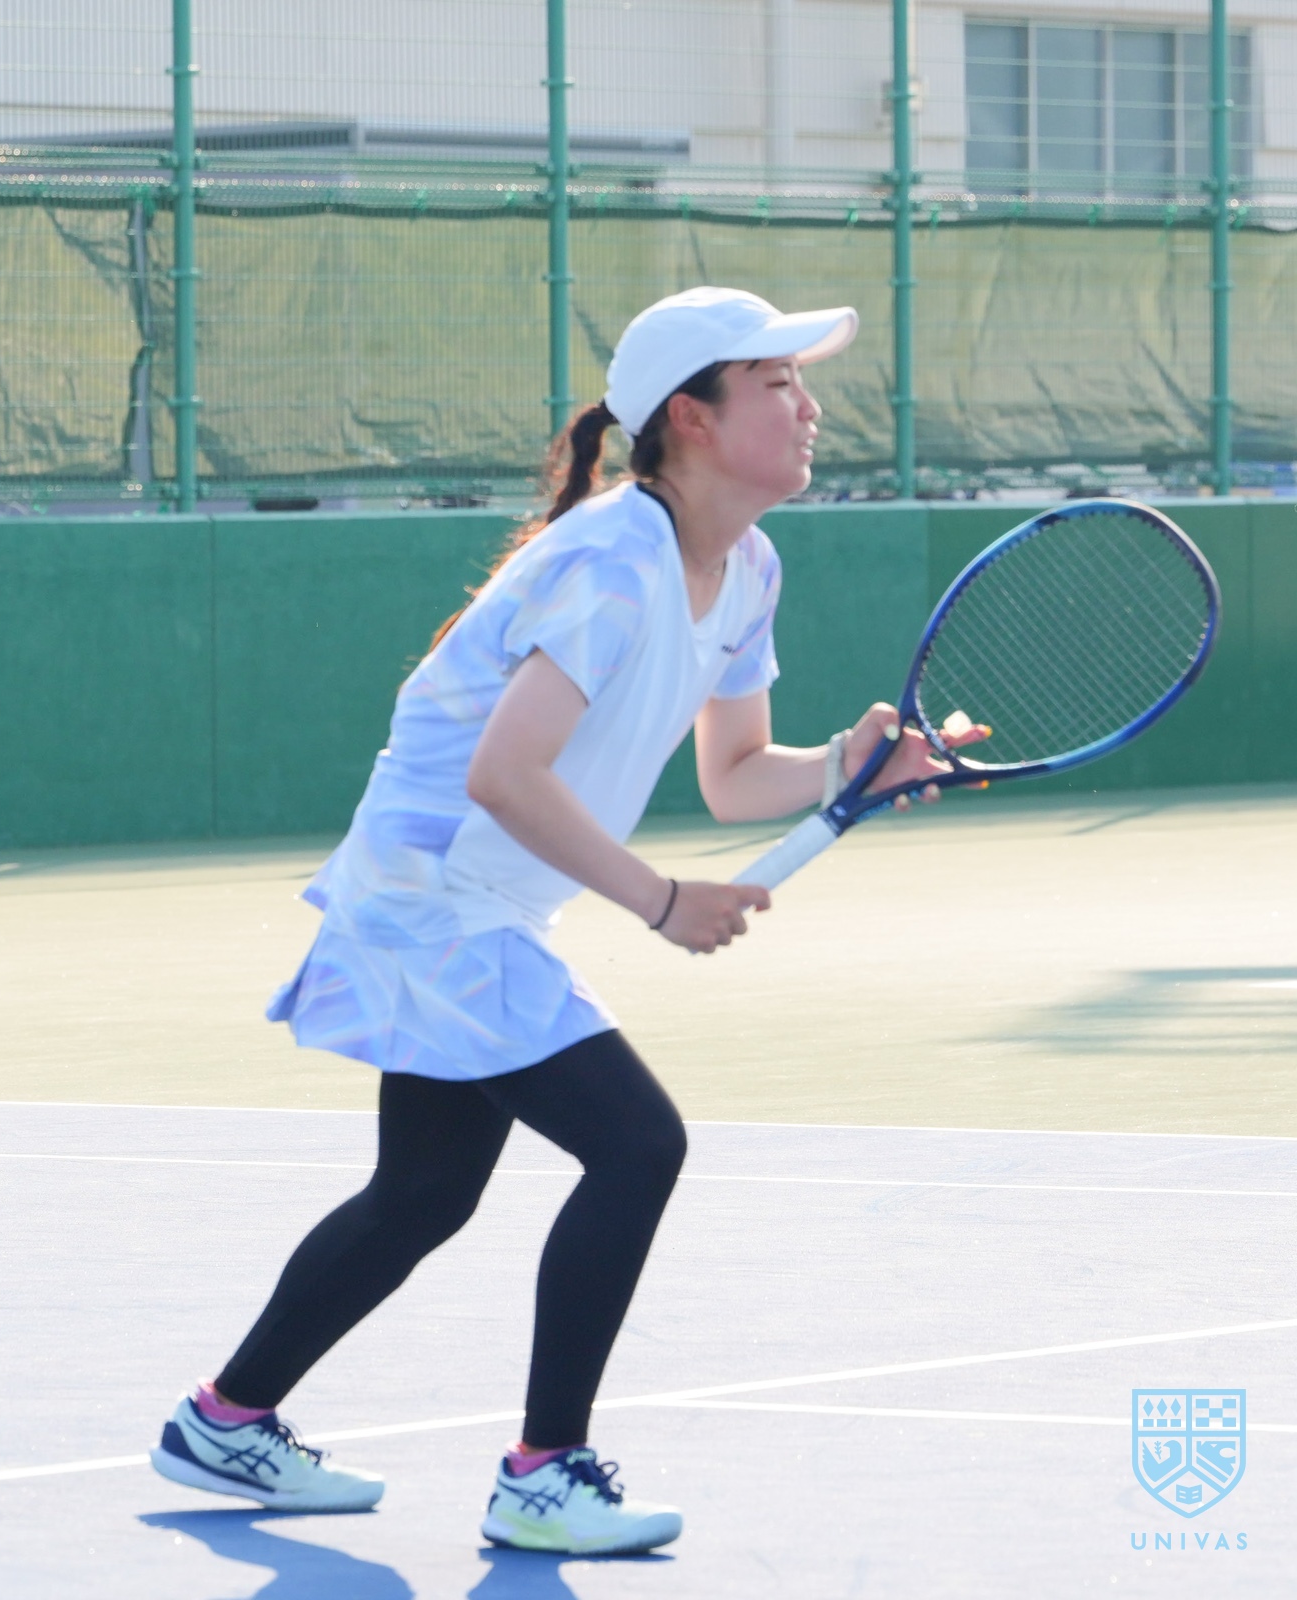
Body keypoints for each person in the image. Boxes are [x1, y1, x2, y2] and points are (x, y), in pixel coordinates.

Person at [148, 287, 974, 1553]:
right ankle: (544, 1474)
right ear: (692, 417)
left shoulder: (747, 566)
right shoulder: (612, 560)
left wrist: (847, 767)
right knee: (638, 1144)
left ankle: (226, 1416)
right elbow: (503, 775)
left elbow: (734, 773)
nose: (809, 406)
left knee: (424, 1192)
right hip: (429, 895)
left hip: (477, 901)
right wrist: (660, 901)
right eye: (777, 382)